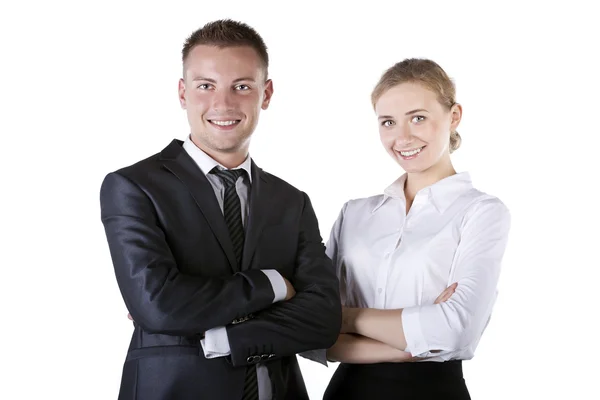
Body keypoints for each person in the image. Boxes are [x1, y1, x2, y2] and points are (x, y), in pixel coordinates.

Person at [100, 19, 341, 400]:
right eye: (205, 86)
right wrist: (273, 284)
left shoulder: (291, 201)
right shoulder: (134, 187)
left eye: (241, 87)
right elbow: (158, 307)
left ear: (266, 93)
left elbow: (324, 318)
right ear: (183, 93)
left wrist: (224, 334)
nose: (223, 104)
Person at [322, 59, 511, 399]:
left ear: (453, 116)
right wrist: (414, 341)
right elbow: (313, 332)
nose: (402, 137)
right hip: (347, 392)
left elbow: (456, 333)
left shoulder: (480, 212)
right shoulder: (355, 214)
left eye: (418, 118)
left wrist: (345, 318)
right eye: (388, 122)